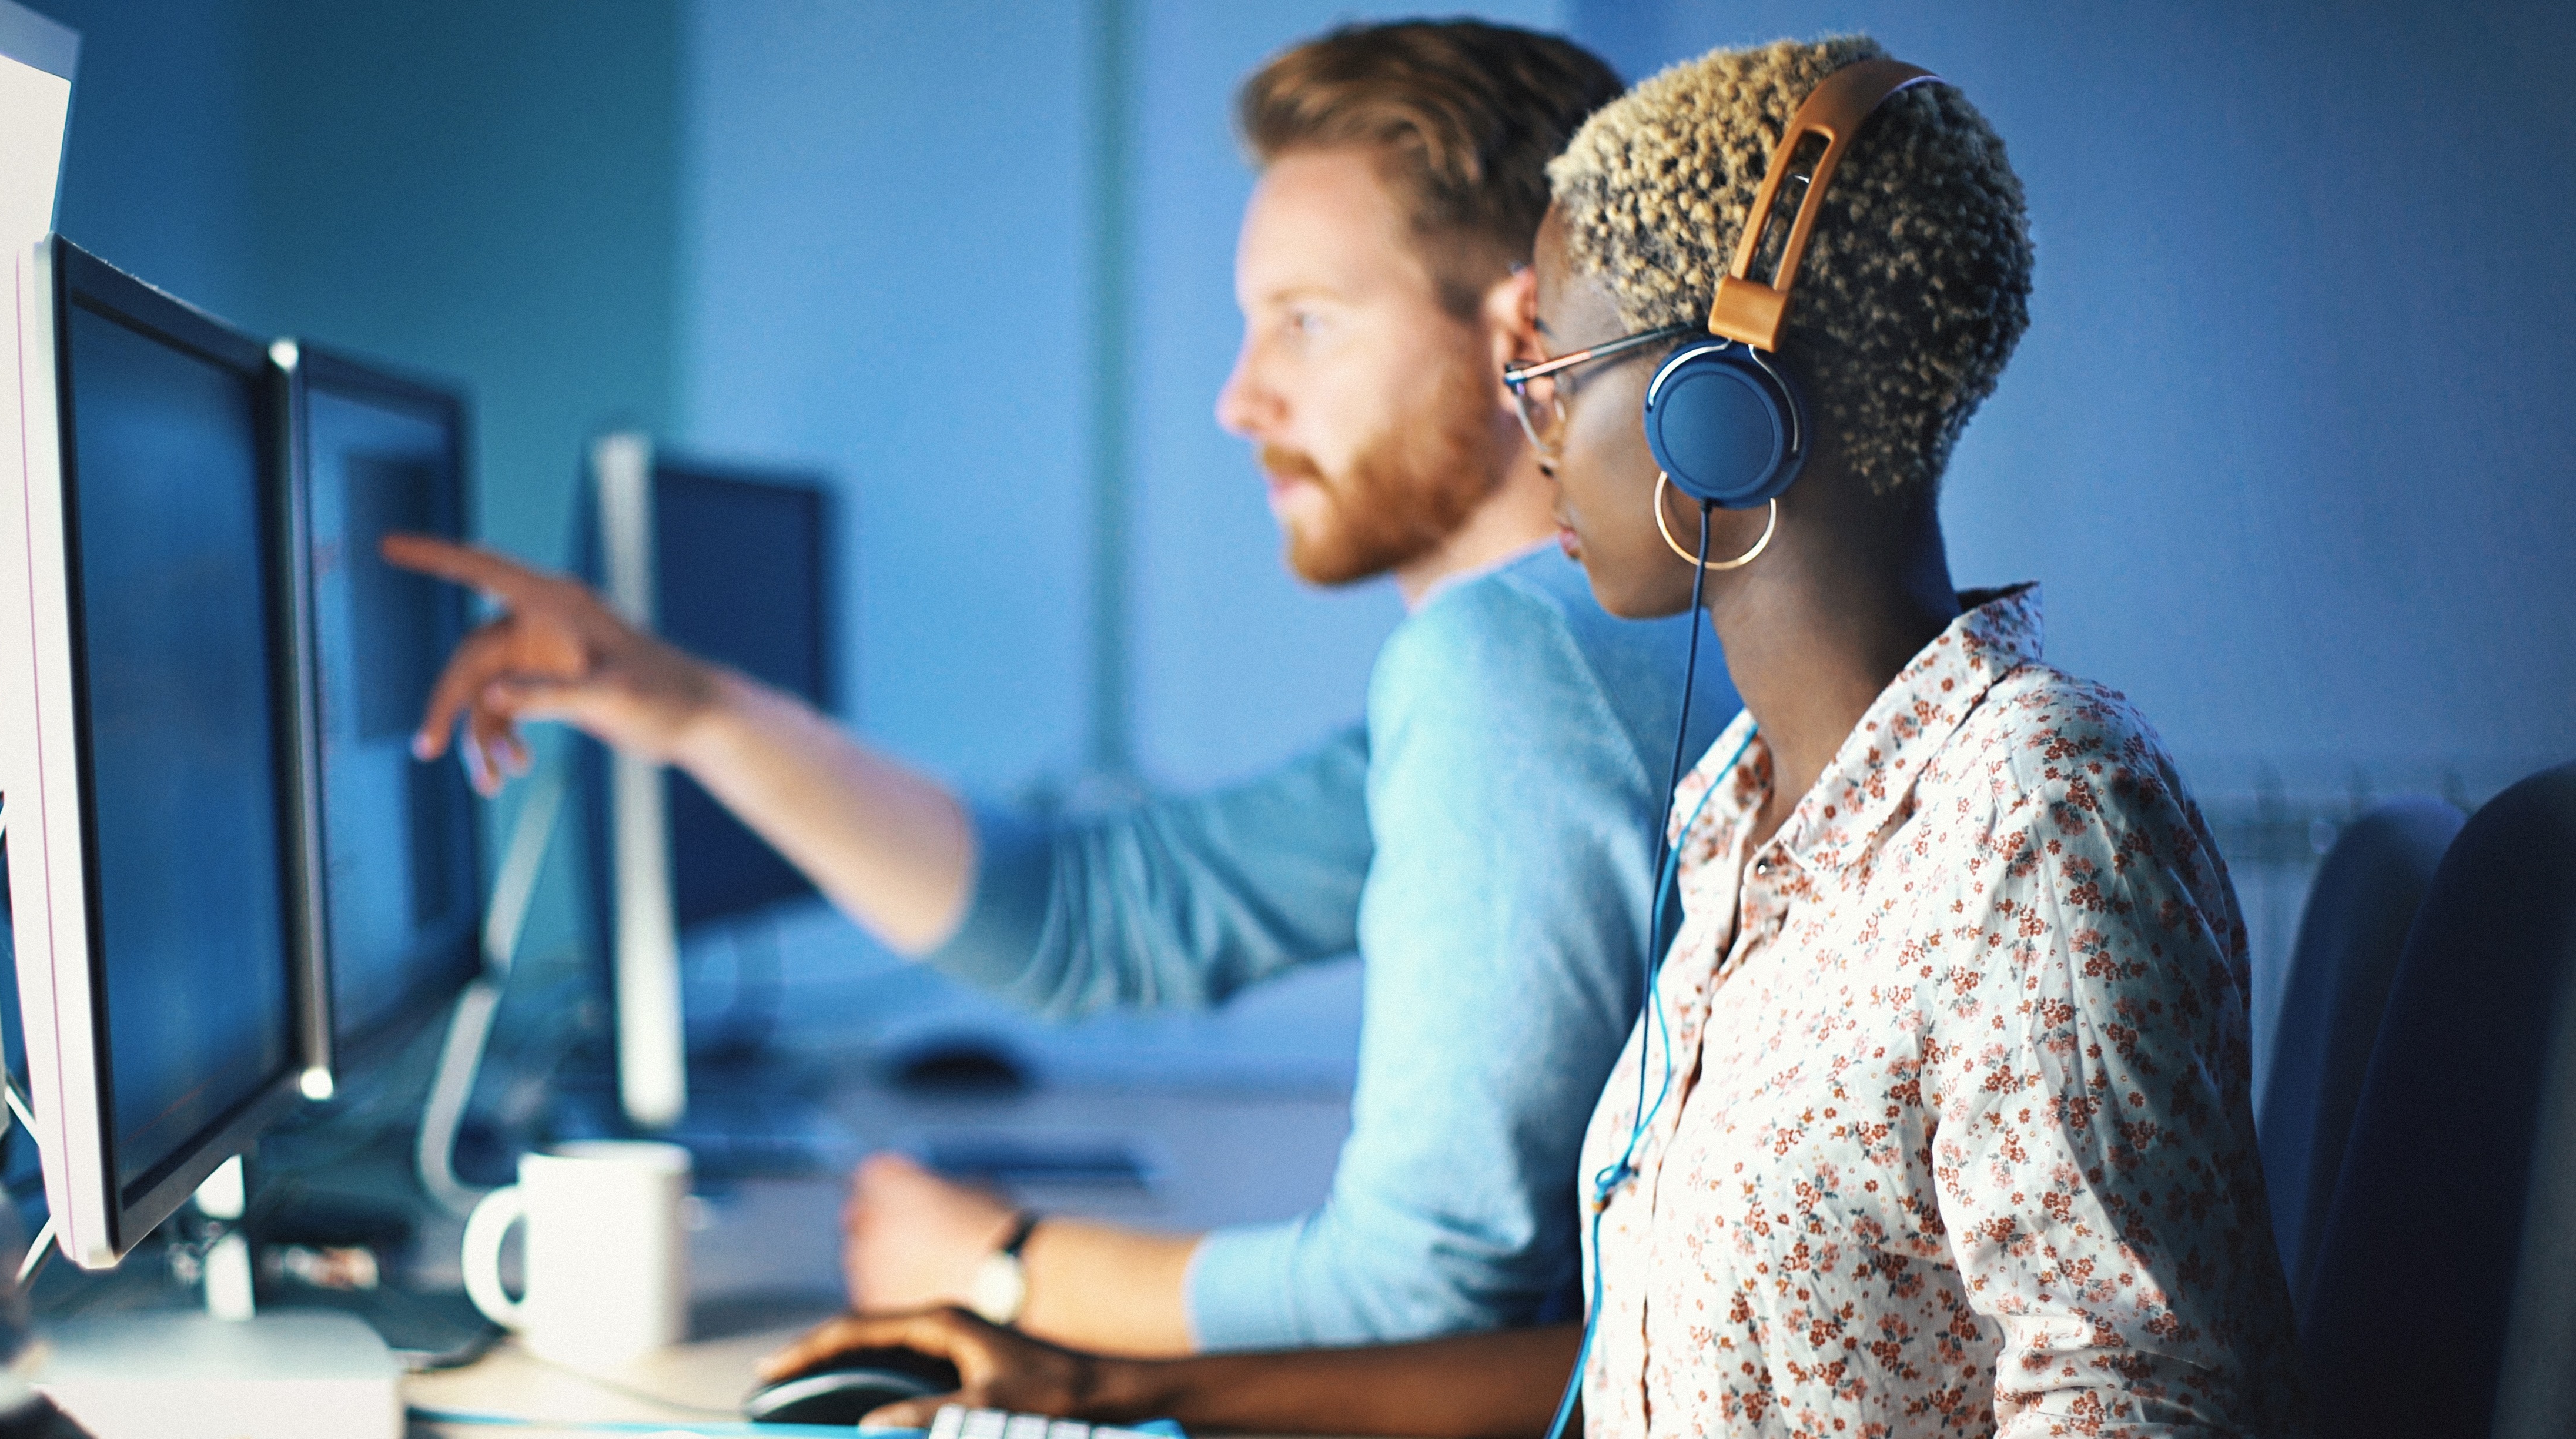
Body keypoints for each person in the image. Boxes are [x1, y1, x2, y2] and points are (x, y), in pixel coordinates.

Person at [767, 34, 2309, 1438]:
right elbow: (1621, 1365)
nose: (1530, 421)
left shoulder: (2036, 816)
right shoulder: (1744, 819)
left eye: (1557, 369)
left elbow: (2147, 1403)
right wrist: (1105, 1386)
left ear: (1725, 410)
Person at [385, 20, 1737, 1359]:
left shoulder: (1512, 663)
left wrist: (1000, 1266)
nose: (1239, 398)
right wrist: (689, 709)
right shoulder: (1593, 644)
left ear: (1521, 332)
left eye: (1303, 325)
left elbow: (1426, 1297)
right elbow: (1092, 916)